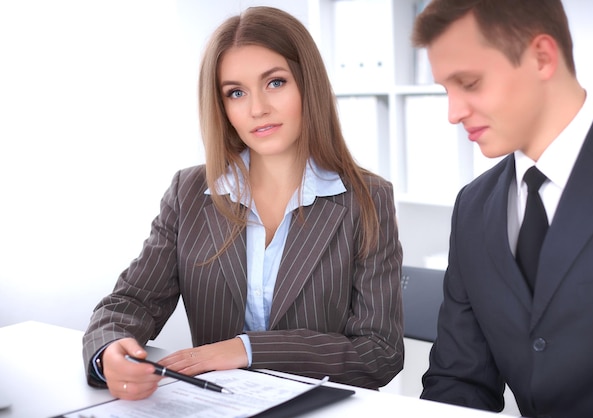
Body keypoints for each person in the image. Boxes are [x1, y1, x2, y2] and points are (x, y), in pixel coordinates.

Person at [82, 6, 404, 401]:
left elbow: (380, 353)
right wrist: (109, 352)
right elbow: (131, 301)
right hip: (214, 407)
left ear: (308, 84)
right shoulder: (189, 192)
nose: (256, 109)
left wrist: (247, 349)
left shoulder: (367, 199)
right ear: (223, 107)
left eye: (275, 83)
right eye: (236, 92)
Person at [411, 1, 593, 417]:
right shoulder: (472, 207)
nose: (453, 113)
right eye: (445, 90)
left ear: (542, 57)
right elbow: (460, 379)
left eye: (469, 83)